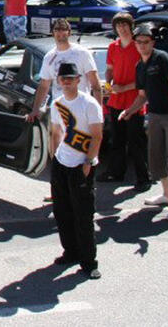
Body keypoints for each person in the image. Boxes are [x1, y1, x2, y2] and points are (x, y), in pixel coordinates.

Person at [121, 23, 168, 222]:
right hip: (155, 113)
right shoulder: (139, 66)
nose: (142, 45)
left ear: (152, 42)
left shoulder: (162, 58)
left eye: (146, 42)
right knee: (155, 152)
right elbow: (142, 95)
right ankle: (166, 195)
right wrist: (129, 111)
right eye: (139, 42)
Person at [49, 61, 104, 280]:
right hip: (61, 163)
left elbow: (97, 135)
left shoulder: (89, 103)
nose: (67, 82)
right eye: (63, 79)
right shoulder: (56, 104)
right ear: (59, 81)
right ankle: (70, 252)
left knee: (83, 215)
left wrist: (88, 162)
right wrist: (54, 158)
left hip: (82, 164)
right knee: (62, 211)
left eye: (70, 78)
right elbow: (54, 132)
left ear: (78, 80)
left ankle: (89, 262)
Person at [101, 12, 150, 187]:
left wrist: (125, 87)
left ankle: (144, 178)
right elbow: (109, 70)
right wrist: (108, 84)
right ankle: (115, 173)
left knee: (136, 142)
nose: (121, 28)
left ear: (131, 26)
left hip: (134, 101)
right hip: (116, 100)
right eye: (118, 25)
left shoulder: (138, 47)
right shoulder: (113, 47)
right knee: (117, 140)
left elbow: (144, 78)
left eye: (124, 25)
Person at [27, 18, 103, 122]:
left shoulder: (82, 53)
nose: (60, 32)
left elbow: (95, 85)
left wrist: (98, 112)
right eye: (57, 29)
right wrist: (35, 110)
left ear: (69, 32)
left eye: (63, 29)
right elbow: (44, 85)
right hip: (59, 110)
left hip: (81, 108)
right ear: (52, 32)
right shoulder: (49, 57)